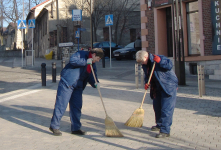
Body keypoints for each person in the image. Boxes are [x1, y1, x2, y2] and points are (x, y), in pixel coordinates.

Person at [49, 48, 104, 136]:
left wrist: (96, 83)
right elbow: (73, 61)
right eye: (98, 58)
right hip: (67, 82)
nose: (97, 61)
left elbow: (92, 76)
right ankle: (54, 126)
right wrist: (86, 61)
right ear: (93, 55)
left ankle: (76, 128)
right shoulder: (81, 54)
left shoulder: (92, 65)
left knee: (77, 107)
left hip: (78, 86)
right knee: (61, 105)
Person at [136, 50, 178, 138]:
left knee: (166, 109)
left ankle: (165, 130)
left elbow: (169, 65)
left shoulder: (158, 58)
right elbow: (148, 75)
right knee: (157, 107)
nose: (141, 63)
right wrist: (147, 83)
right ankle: (159, 124)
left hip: (168, 87)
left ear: (145, 57)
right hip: (157, 87)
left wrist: (160, 61)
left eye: (142, 61)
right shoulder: (145, 65)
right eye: (140, 62)